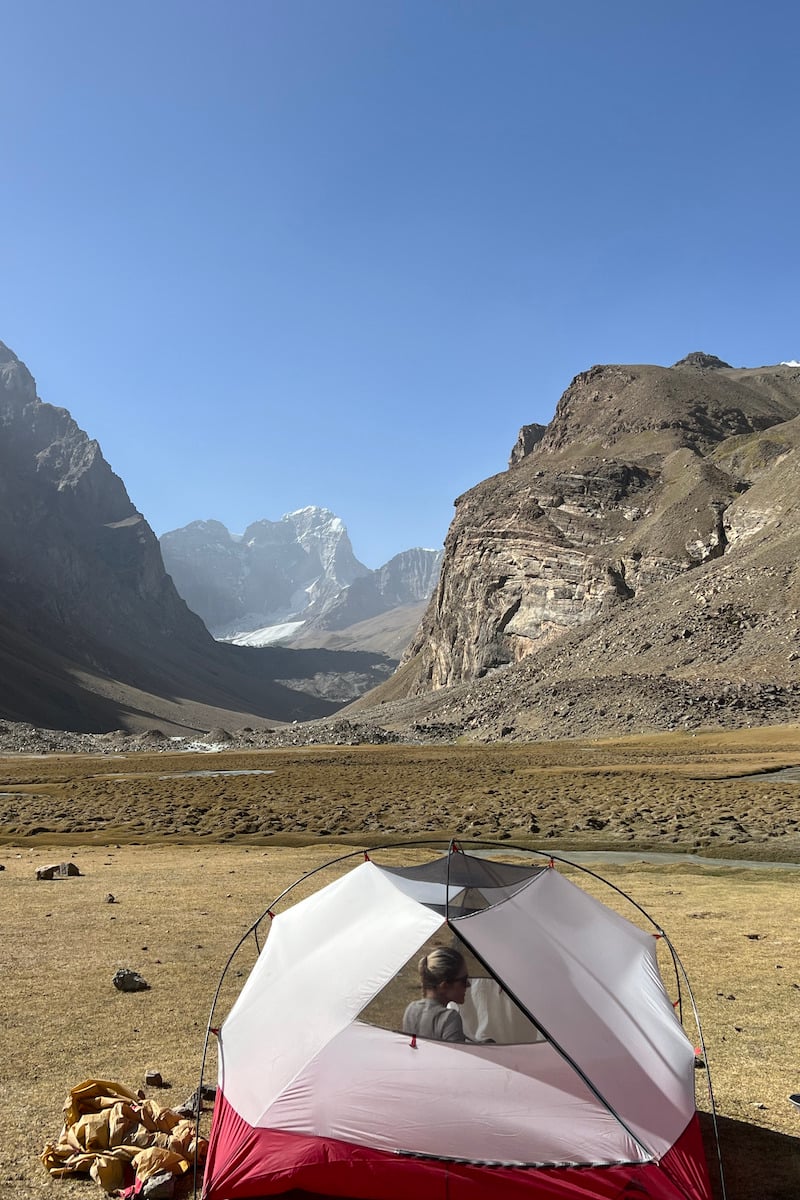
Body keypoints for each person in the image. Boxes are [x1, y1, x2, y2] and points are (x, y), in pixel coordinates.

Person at [402, 947, 470, 1042]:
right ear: (444, 986)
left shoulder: (411, 1009)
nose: (468, 985)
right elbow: (457, 1056)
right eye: (463, 980)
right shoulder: (450, 1018)